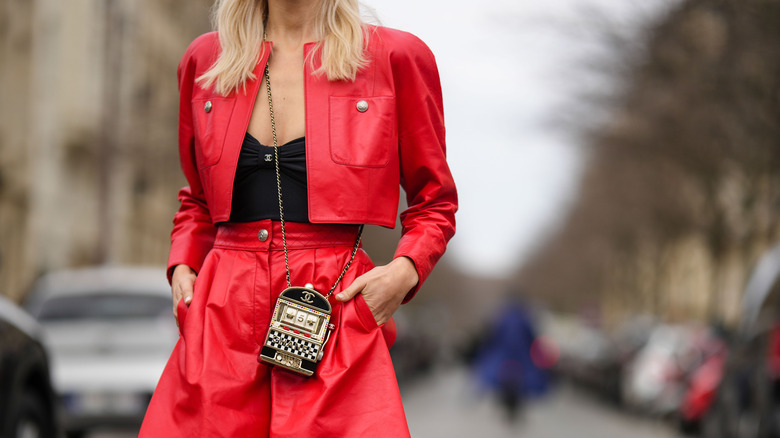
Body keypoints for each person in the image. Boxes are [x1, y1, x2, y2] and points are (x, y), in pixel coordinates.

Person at [139, 0, 457, 436]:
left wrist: (403, 273)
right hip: (221, 311)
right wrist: (182, 267)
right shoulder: (206, 60)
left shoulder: (393, 57)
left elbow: (435, 200)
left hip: (335, 306)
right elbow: (197, 199)